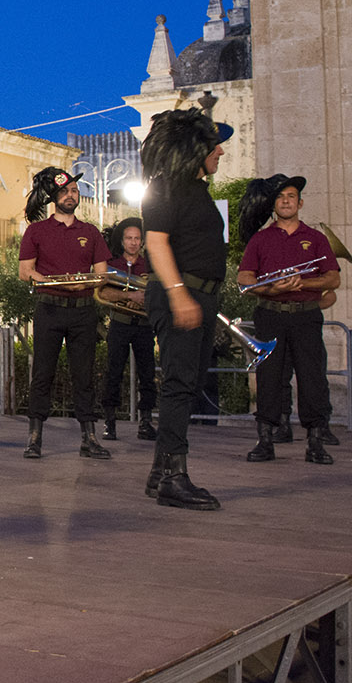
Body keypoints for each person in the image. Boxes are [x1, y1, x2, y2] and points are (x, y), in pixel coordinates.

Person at [138, 109, 229, 510]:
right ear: (195, 149)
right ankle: (174, 477)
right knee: (178, 385)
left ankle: (160, 471)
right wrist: (179, 296)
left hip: (199, 296)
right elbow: (156, 244)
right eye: (214, 145)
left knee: (186, 384)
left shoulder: (197, 190)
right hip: (182, 295)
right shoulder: (164, 188)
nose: (221, 151)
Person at [237, 175, 342, 466]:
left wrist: (304, 285)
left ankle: (316, 443)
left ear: (300, 202)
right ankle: (265, 441)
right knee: (268, 377)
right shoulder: (260, 238)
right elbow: (244, 279)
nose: (286, 201)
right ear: (274, 203)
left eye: (292, 196)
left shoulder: (316, 238)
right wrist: (272, 288)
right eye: (281, 196)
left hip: (306, 315)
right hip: (270, 314)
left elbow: (333, 278)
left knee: (312, 377)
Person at [17, 166, 110, 459]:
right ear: (53, 197)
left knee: (84, 375)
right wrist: (54, 283)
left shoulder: (90, 232)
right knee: (42, 372)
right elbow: (25, 272)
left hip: (83, 311)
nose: (71, 196)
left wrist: (81, 283)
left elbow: (102, 274)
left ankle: (89, 437)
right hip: (50, 309)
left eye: (74, 191)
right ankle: (34, 438)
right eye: (65, 191)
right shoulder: (37, 231)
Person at [97, 217, 157, 441]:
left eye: (137, 238)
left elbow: (157, 294)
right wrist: (129, 296)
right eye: (129, 238)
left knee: (148, 375)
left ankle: (146, 421)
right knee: (113, 372)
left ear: (142, 241)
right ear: (122, 241)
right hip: (120, 323)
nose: (133, 242)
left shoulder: (149, 265)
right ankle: (110, 422)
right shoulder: (113, 266)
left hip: (143, 325)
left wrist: (144, 300)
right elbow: (103, 293)